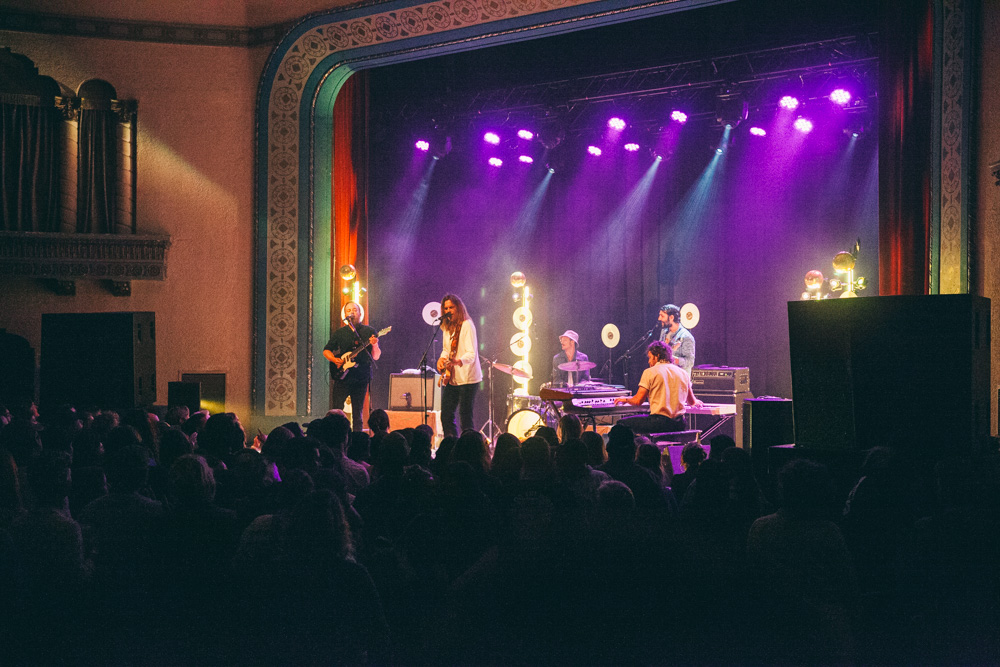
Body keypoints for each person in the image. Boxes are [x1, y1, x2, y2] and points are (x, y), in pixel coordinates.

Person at [614, 340, 702, 434]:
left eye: (650, 357)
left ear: (657, 356)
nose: (649, 361)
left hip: (659, 423)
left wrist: (625, 400)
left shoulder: (650, 372)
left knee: (621, 424)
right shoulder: (683, 373)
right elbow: (691, 402)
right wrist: (696, 401)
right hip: (679, 424)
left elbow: (638, 401)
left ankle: (637, 448)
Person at [323, 301, 381, 432]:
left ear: (360, 313)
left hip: (361, 377)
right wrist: (335, 360)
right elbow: (326, 350)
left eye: (354, 310)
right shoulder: (340, 333)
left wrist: (375, 344)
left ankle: (357, 441)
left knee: (358, 413)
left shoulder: (369, 331)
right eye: (349, 310)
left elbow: (376, 356)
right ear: (345, 314)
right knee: (336, 410)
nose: (352, 312)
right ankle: (336, 435)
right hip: (342, 376)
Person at [436, 294, 483, 438]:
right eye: (446, 308)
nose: (449, 310)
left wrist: (458, 361)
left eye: (451, 307)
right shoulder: (446, 327)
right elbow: (446, 349)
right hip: (452, 377)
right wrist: (441, 358)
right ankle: (452, 446)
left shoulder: (467, 324)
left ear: (458, 308)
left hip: (468, 378)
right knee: (446, 414)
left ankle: (469, 449)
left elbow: (471, 354)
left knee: (465, 416)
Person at [657, 303, 695, 375]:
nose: (659, 318)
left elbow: (690, 362)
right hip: (666, 376)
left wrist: (671, 359)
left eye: (662, 316)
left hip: (679, 379)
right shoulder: (664, 332)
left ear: (671, 317)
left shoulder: (686, 337)